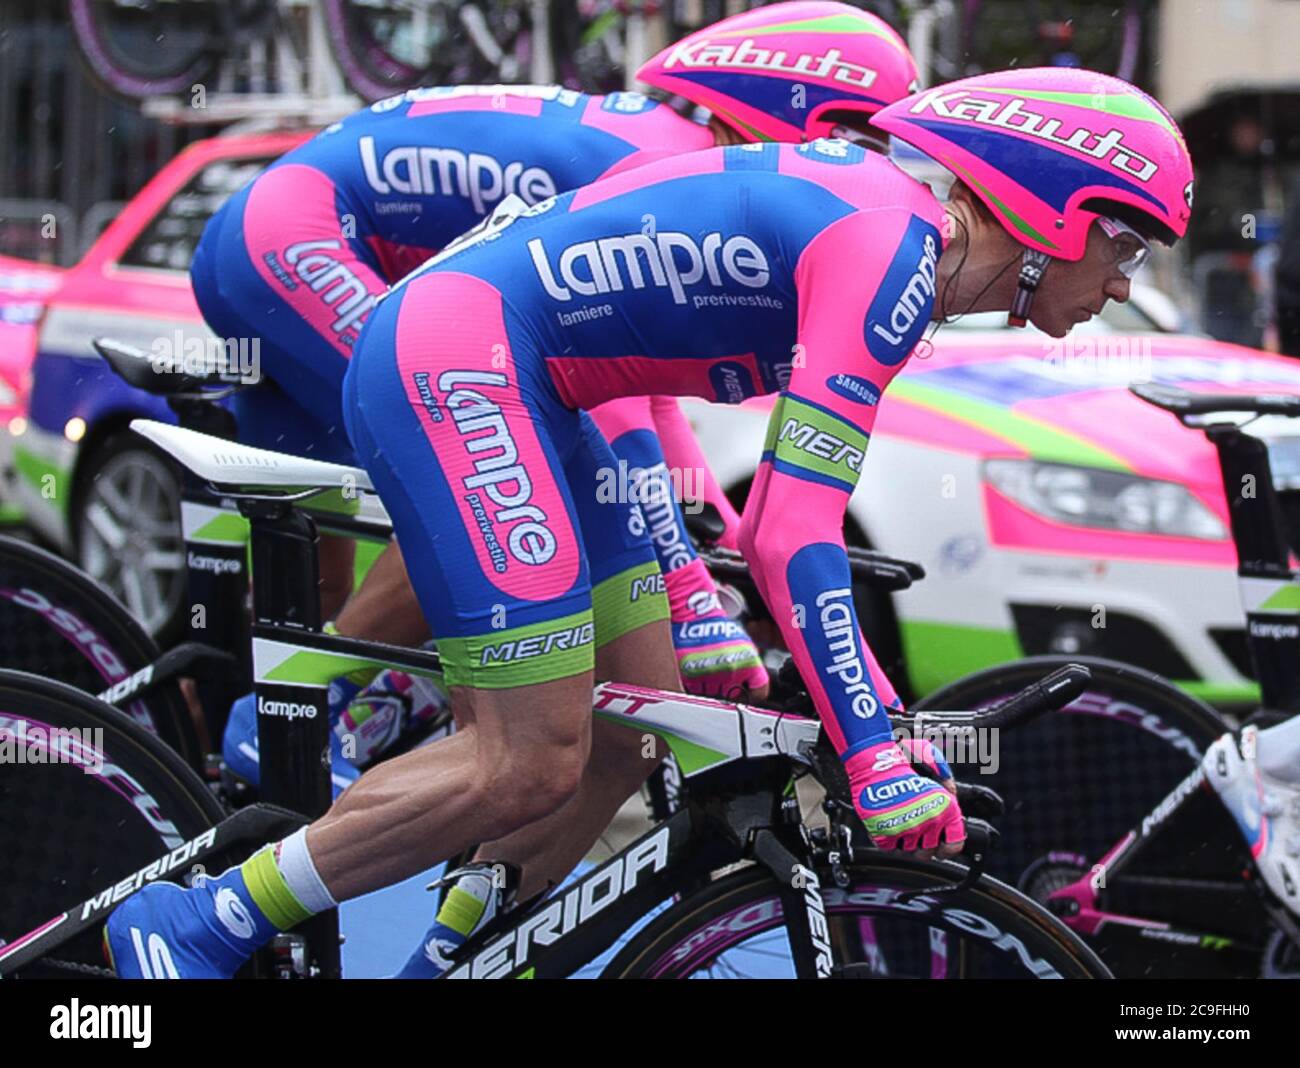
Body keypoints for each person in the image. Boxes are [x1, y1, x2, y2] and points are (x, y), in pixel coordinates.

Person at [107, 66, 1194, 978]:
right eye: (1128, 250)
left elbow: (755, 500)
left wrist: (859, 709)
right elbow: (790, 530)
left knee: (626, 740)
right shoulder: (890, 249)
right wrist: (870, 746)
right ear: (1065, 213)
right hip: (458, 359)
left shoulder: (910, 249)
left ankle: (437, 965)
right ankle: (201, 926)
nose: (1119, 283)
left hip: (542, 384)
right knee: (525, 759)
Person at [191, 1, 922, 791]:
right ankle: (287, 715)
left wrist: (726, 538)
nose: (863, 161)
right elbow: (609, 412)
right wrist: (685, 583)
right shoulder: (663, 159)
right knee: (463, 464)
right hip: (294, 234)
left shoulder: (683, 157)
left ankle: (244, 741)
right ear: (794, 112)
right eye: (858, 136)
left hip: (294, 231)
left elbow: (647, 398)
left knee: (334, 569)